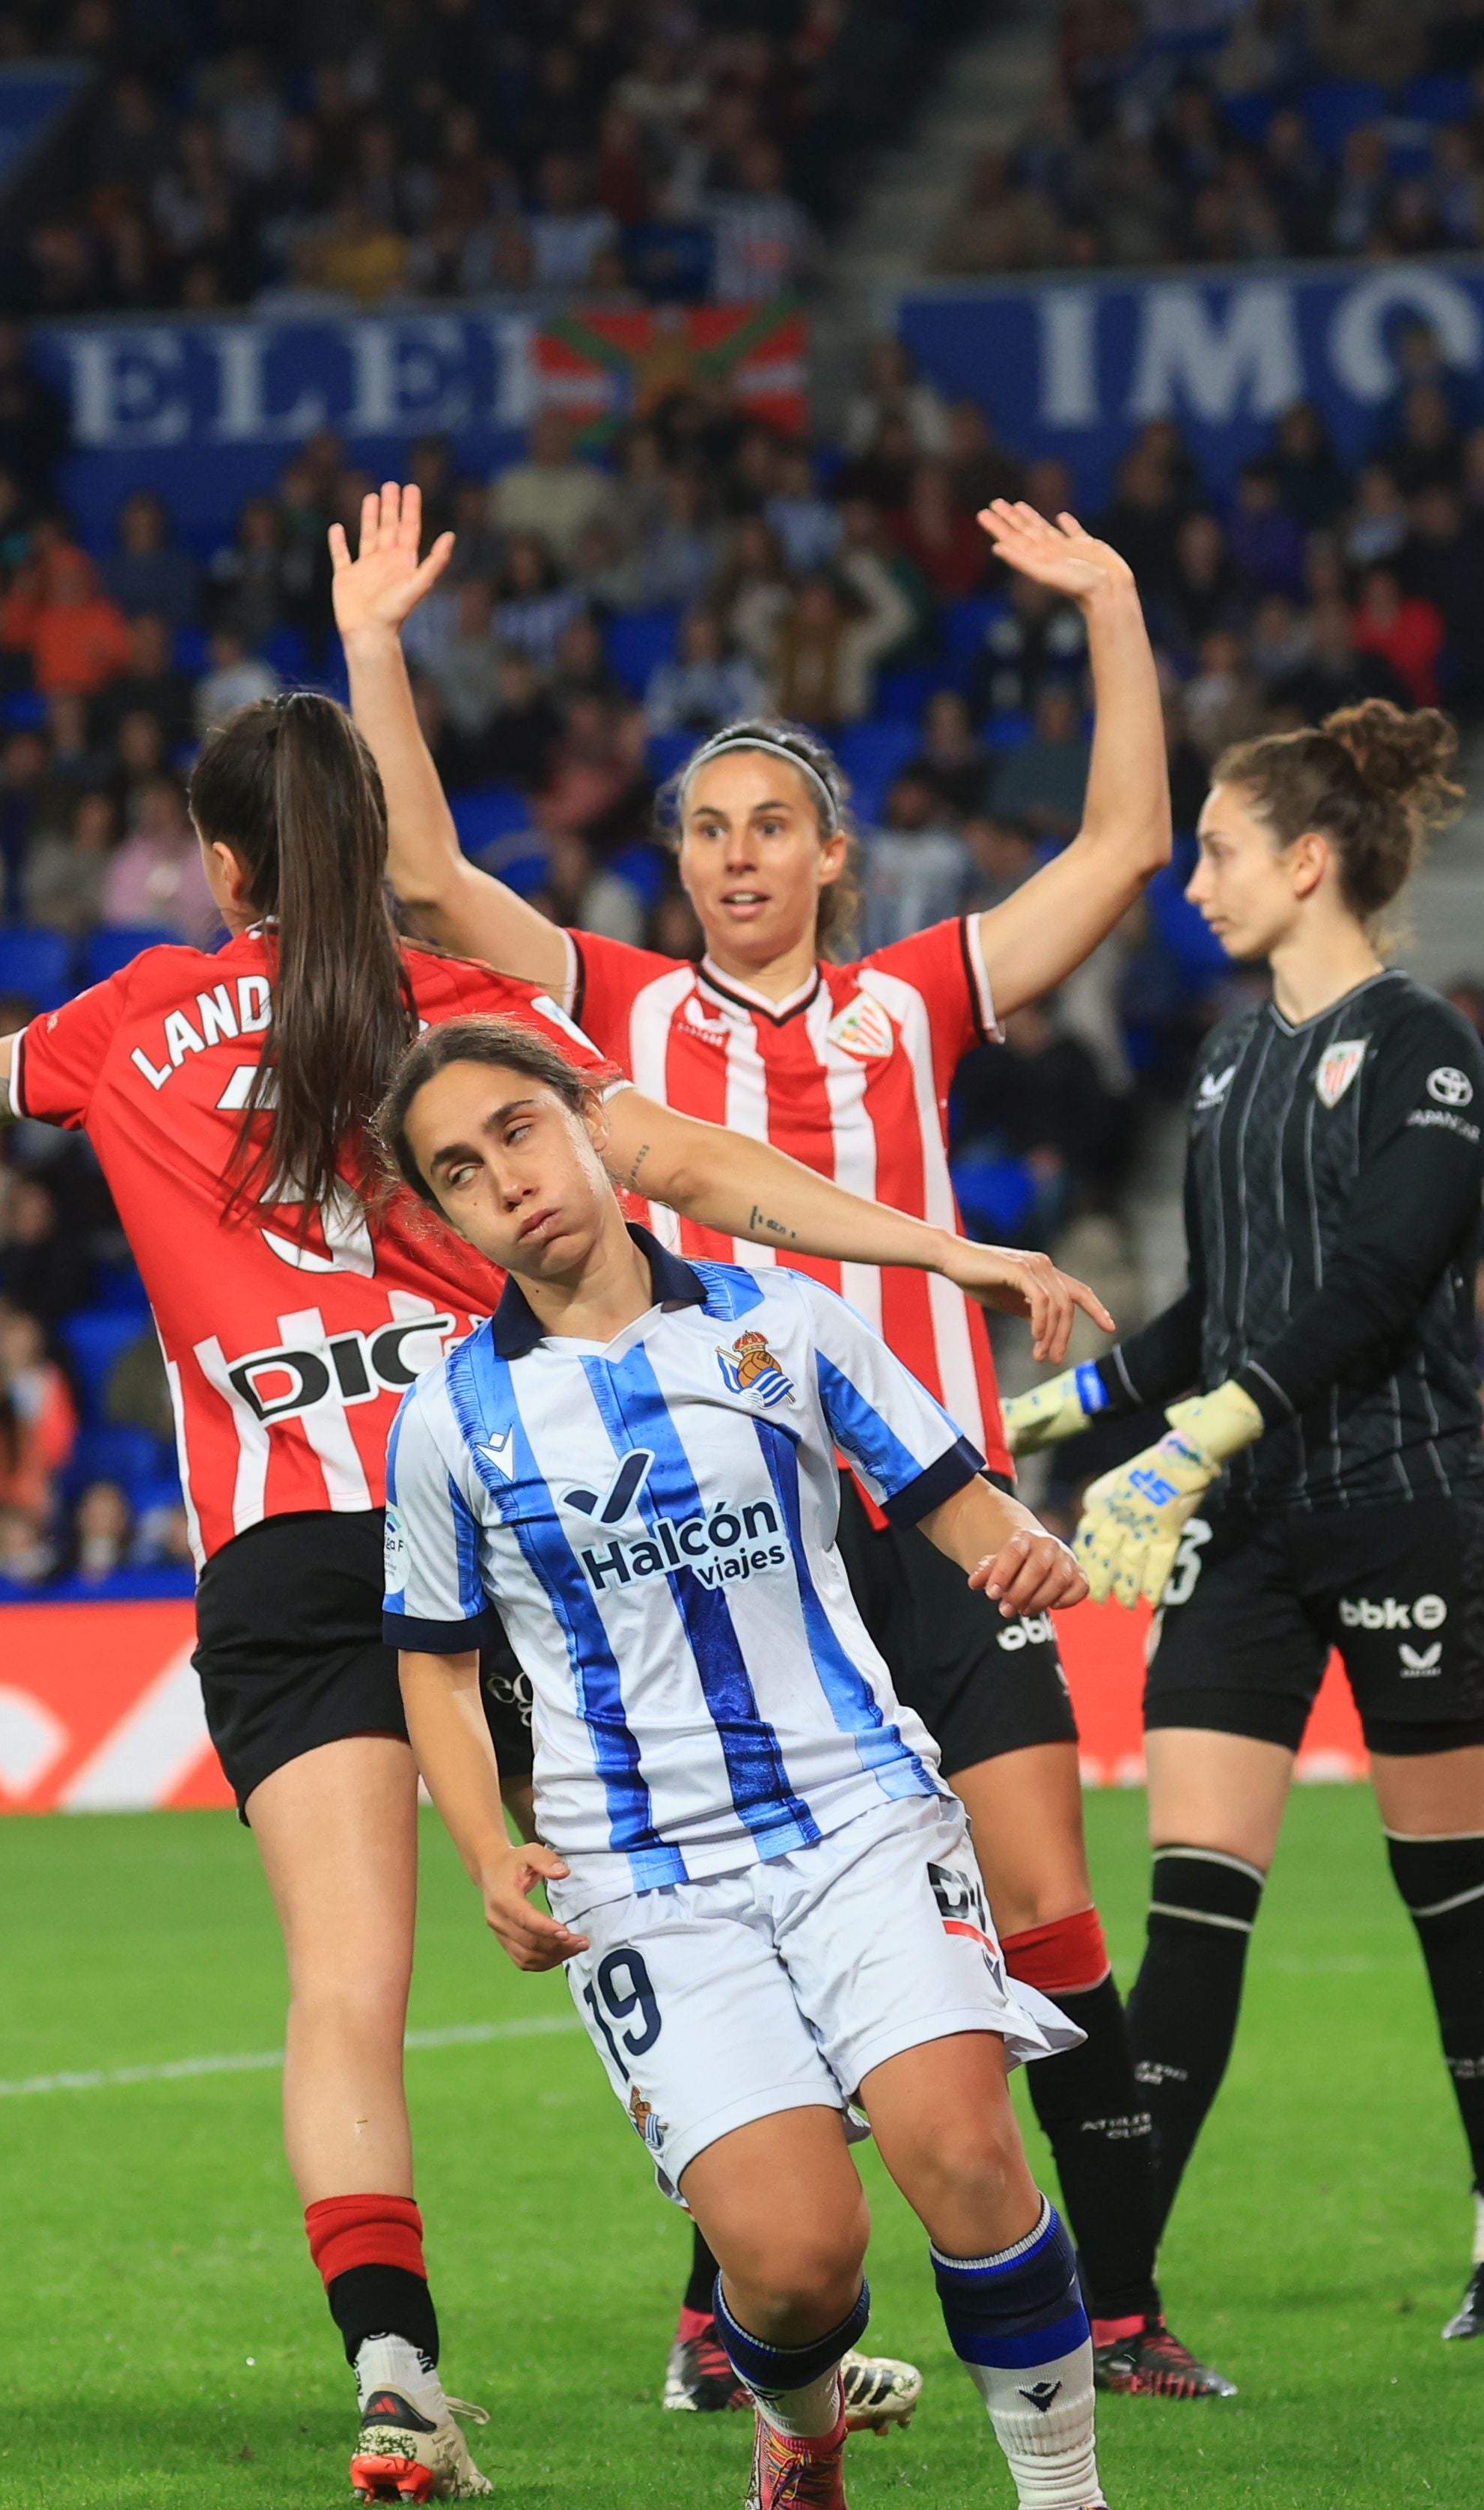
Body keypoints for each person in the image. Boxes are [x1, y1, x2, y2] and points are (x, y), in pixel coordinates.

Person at [0, 694, 1108, 2505]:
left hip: (283, 1551)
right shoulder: (460, 1012)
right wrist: (944, 1244)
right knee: (700, 1874)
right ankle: (745, 2309)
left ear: (222, 861)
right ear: (368, 847)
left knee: (345, 1989)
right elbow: (686, 1166)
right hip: (498, 1513)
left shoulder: (134, 1015)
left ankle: (399, 2372)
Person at [338, 483, 1195, 2403]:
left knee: (1047, 1907)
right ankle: (734, 2316)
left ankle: (1121, 2306)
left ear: (830, 852)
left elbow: (1127, 841)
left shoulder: (916, 1001)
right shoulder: (615, 1013)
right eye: (706, 829)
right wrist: (379, 646)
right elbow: (420, 880)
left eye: (769, 826)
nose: (735, 855)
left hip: (933, 1507)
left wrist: (1113, 606)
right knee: (730, 1876)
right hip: (723, 1538)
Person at [376, 1016, 1164, 2510]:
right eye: (460, 1171)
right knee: (797, 2261)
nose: (507, 1182)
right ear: (443, 1217)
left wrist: (1023, 1547)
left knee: (961, 2151)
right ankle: (796, 2437)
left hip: (858, 1808)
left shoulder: (778, 1321)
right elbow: (438, 1672)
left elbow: (950, 1497)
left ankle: (1064, 2505)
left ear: (596, 1129)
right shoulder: (450, 1419)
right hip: (642, 1875)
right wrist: (486, 1848)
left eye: (520, 1131)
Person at [1006, 703, 1484, 2357]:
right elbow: (1220, 1311)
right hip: (1246, 1529)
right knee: (1191, 1903)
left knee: (1443, 1881)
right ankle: (1121, 2301)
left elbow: (1377, 1286)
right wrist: (1044, 1419)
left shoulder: (1430, 1050)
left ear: (1308, 861)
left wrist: (1186, 1444)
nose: (1194, 882)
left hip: (1406, 1512)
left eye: (1221, 850)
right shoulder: (1236, 1054)